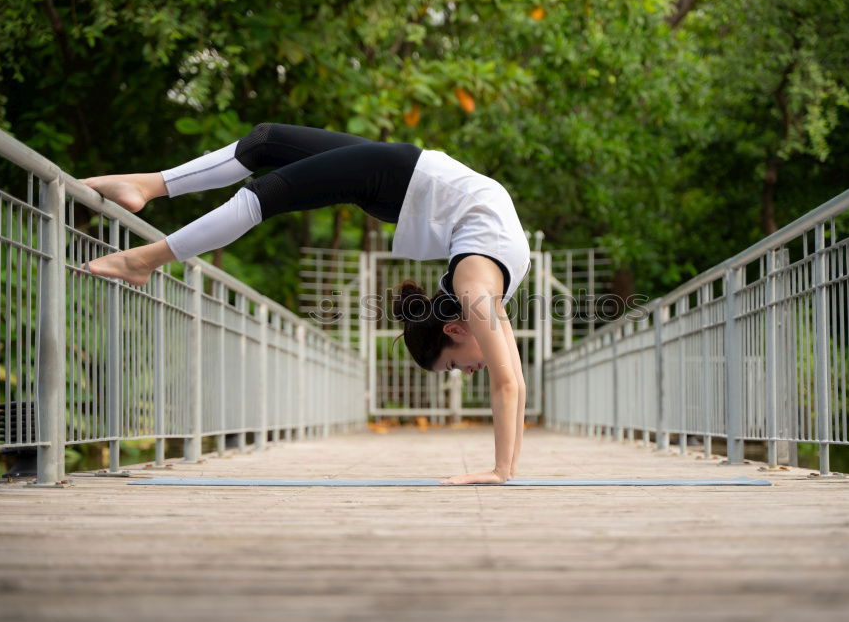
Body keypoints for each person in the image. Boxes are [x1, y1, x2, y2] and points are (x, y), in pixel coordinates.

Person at [79, 123, 530, 485]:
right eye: (455, 367)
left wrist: (505, 470)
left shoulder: (482, 294)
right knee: (263, 164)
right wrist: (500, 471)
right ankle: (145, 256)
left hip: (404, 176)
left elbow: (515, 381)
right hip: (397, 177)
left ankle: (145, 189)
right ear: (454, 331)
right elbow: (508, 385)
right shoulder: (475, 291)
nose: (468, 372)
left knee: (267, 148)